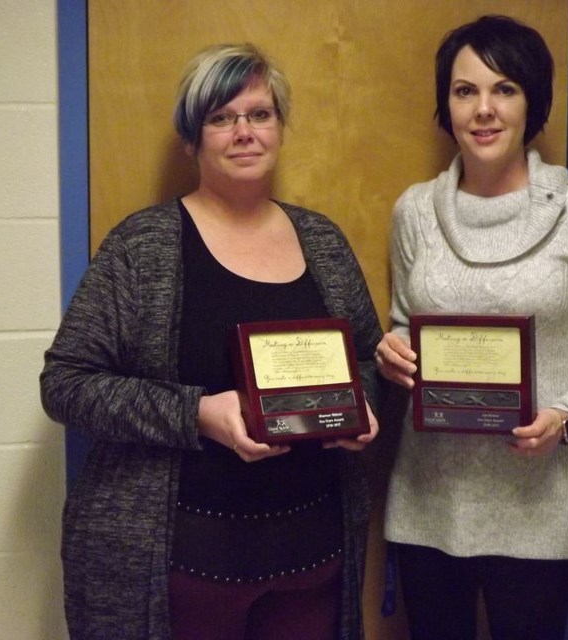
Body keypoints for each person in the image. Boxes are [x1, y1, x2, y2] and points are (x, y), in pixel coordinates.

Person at [40, 43, 383, 640]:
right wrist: (197, 414)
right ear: (192, 139)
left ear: (279, 127)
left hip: (312, 563)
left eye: (260, 113)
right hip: (180, 567)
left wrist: (363, 410)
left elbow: (367, 359)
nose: (244, 132)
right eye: (221, 118)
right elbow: (66, 384)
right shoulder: (142, 247)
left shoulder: (323, 242)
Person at [374, 16, 568, 640]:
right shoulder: (414, 211)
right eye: (465, 91)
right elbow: (403, 325)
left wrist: (566, 414)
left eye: (505, 89)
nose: (484, 109)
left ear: (534, 103)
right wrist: (394, 353)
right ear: (446, 106)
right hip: (430, 501)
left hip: (539, 505)